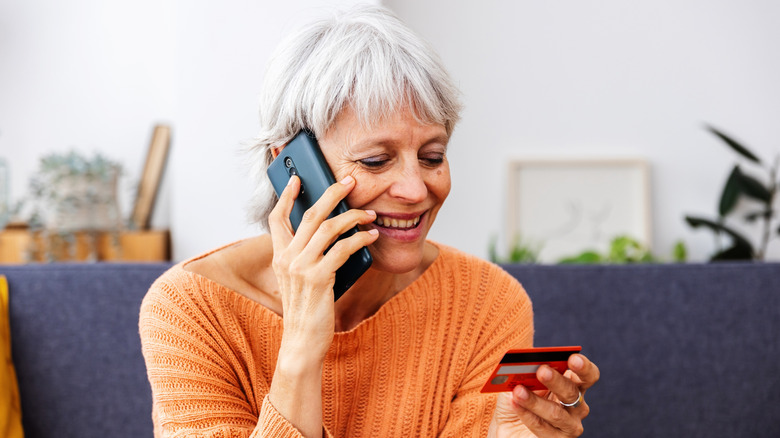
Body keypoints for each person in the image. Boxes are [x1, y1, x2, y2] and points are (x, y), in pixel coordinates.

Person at [139, 5, 599, 437]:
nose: (417, 190)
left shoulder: (485, 305)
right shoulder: (191, 311)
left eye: (432, 155)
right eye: (377, 160)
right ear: (292, 168)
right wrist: (301, 345)